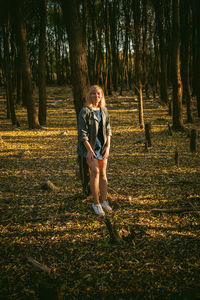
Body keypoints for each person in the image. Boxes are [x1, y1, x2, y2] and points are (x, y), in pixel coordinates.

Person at [77, 85, 112, 216]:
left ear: (101, 95)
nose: (95, 96)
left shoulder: (104, 110)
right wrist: (90, 151)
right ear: (89, 95)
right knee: (96, 172)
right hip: (89, 148)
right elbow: (82, 134)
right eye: (93, 94)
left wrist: (108, 147)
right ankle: (96, 203)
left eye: (98, 94)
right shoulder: (85, 111)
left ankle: (104, 201)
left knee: (103, 173)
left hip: (102, 147)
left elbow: (108, 129)